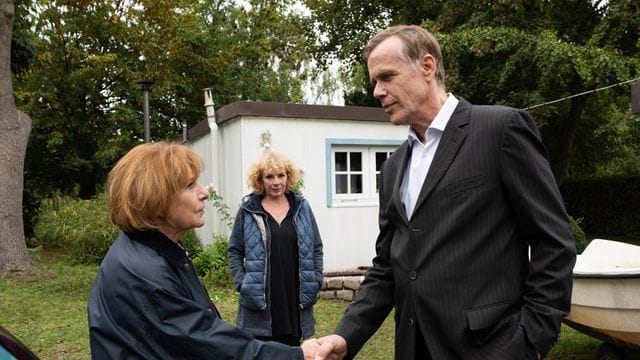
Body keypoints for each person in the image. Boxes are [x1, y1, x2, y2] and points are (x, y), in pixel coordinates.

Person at [316, 25, 576, 360]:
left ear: (427, 66)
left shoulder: (500, 130)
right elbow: (387, 267)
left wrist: (532, 340)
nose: (378, 92)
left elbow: (553, 242)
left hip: (492, 348)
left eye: (387, 77)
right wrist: (346, 336)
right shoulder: (393, 167)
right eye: (374, 82)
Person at [87, 141, 322, 359]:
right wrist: (298, 356)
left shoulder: (153, 251)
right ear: (156, 198)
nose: (204, 192)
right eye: (190, 185)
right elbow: (209, 344)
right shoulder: (146, 274)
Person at [228, 149, 324, 347]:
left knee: (293, 350)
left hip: (294, 293)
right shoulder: (249, 209)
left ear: (288, 177)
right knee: (261, 350)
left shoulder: (301, 207)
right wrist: (242, 283)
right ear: (260, 180)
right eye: (269, 177)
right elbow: (235, 250)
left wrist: (316, 279)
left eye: (281, 175)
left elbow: (316, 247)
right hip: (261, 296)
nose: (276, 182)